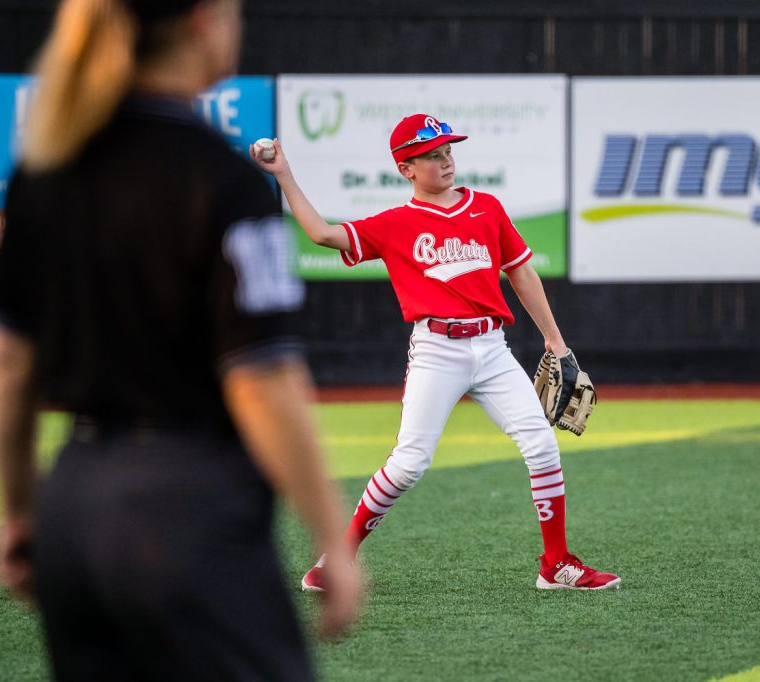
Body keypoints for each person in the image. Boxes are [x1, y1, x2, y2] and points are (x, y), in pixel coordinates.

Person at [0, 0, 362, 679]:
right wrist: (330, 535)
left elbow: (11, 362)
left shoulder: (43, 173)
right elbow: (261, 381)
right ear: (203, 21)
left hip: (74, 500)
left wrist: (18, 512)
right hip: (187, 508)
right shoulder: (224, 180)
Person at [252, 115, 621, 591]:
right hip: (436, 350)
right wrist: (284, 174)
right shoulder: (395, 224)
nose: (445, 160)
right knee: (409, 463)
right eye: (431, 154)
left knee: (542, 445)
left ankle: (556, 565)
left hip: (492, 349)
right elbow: (323, 234)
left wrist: (556, 340)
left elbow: (522, 274)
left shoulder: (486, 208)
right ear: (406, 168)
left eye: (447, 151)